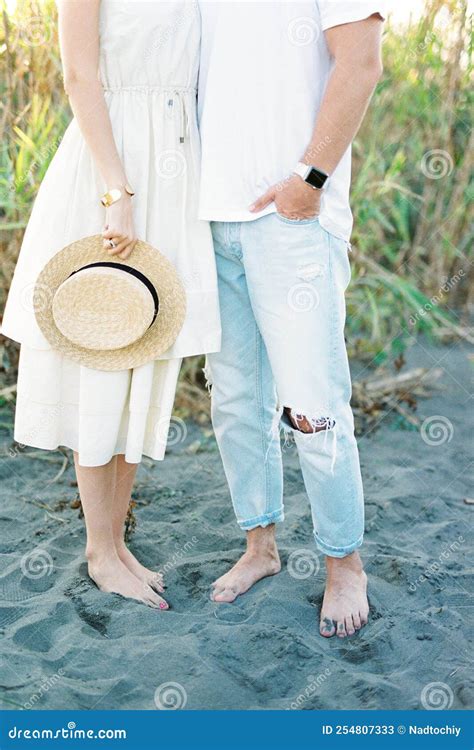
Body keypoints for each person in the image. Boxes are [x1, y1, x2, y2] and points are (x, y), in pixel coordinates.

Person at [2, 0, 220, 609]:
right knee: (103, 350)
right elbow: (78, 75)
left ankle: (117, 542)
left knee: (144, 355)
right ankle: (100, 551)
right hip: (113, 169)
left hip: (174, 171)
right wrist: (114, 188)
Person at [198, 0, 385, 637]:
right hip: (211, 215)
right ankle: (260, 546)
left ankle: (344, 564)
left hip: (293, 216)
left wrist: (309, 179)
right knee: (236, 399)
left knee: (313, 402)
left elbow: (360, 63)